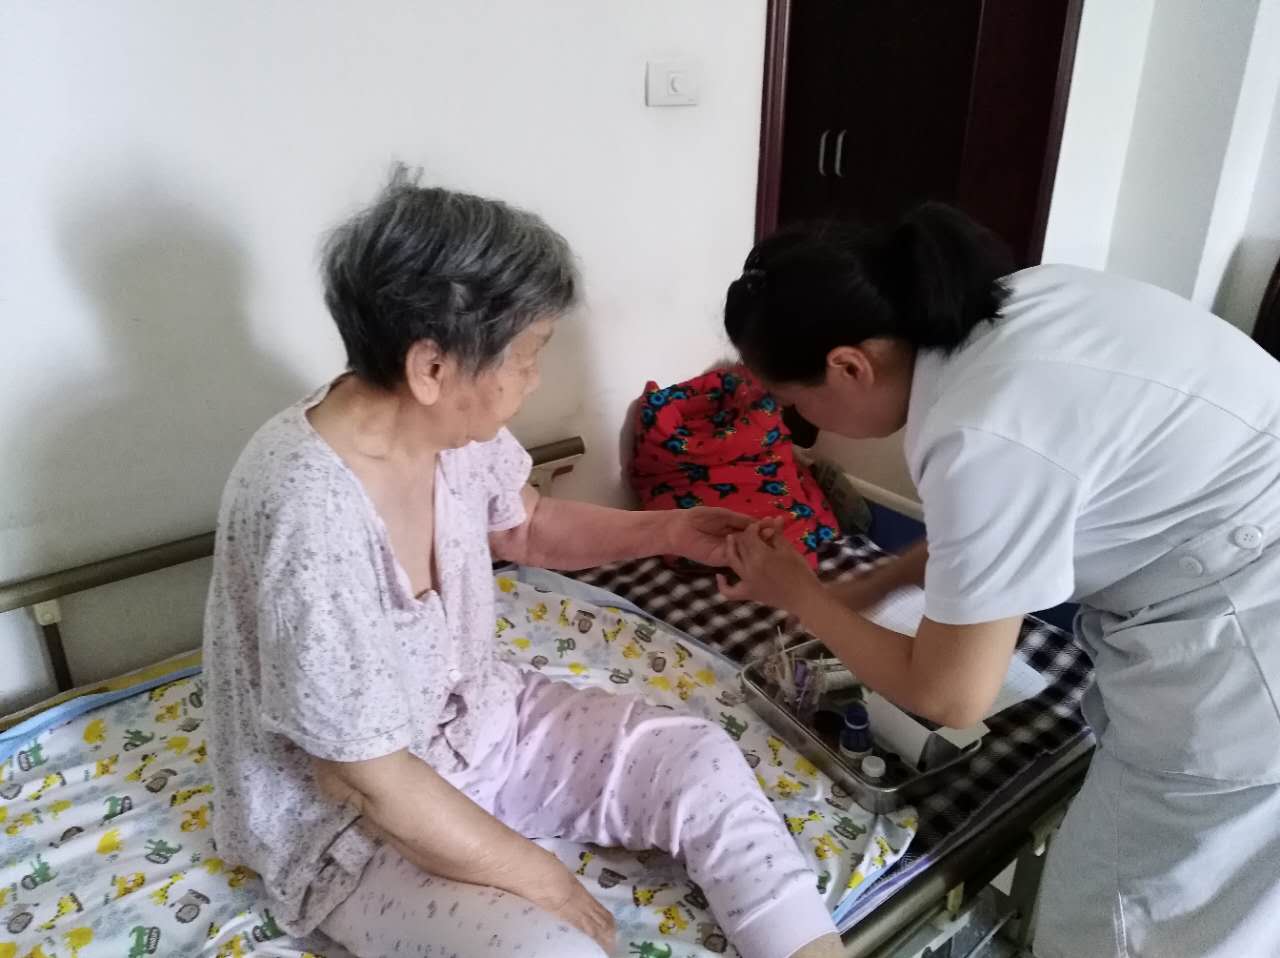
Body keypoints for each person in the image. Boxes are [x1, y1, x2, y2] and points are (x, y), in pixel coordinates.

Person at [202, 167, 841, 958]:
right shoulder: (307, 505)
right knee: (551, 949)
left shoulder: (445, 429)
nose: (535, 380)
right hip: (353, 824)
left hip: (480, 724)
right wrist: (538, 875)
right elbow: (366, 776)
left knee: (700, 760)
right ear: (432, 368)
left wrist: (673, 532)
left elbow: (526, 526)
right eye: (529, 355)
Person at [715, 205, 1280, 958]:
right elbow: (983, 533)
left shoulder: (978, 428)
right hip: (1235, 564)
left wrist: (802, 595)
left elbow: (951, 697)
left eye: (795, 406)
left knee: (1124, 918)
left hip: (1247, 651)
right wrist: (858, 592)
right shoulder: (1022, 304)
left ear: (850, 366)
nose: (799, 427)